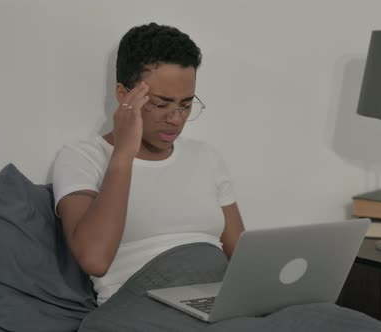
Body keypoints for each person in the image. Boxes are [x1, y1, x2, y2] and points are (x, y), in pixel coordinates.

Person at [51, 23, 245, 305]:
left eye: (185, 104)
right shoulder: (82, 157)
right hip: (138, 308)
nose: (176, 118)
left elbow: (241, 257)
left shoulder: (206, 156)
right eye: (161, 103)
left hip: (214, 304)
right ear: (123, 94)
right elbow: (94, 259)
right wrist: (123, 154)